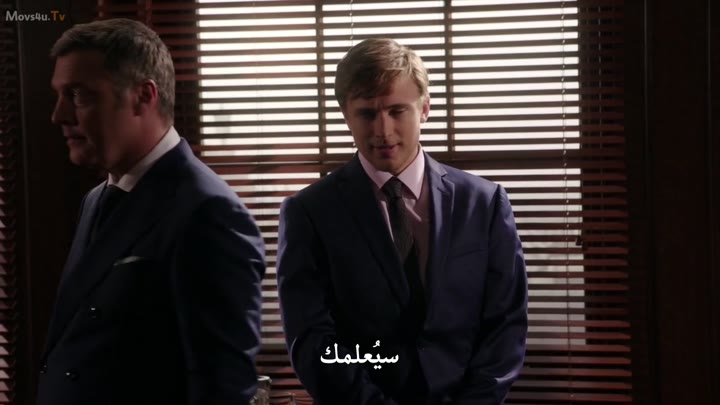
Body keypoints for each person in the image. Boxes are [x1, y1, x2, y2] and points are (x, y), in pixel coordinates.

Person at [276, 38, 528, 404]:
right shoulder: (309, 212)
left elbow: (505, 325)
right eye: (367, 114)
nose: (383, 130)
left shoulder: (483, 204)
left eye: (397, 111)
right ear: (346, 115)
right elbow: (313, 340)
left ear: (424, 108)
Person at [38, 18, 266, 405]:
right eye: (59, 95)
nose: (58, 115)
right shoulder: (95, 200)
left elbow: (222, 389)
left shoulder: (210, 213)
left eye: (78, 95)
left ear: (143, 96)